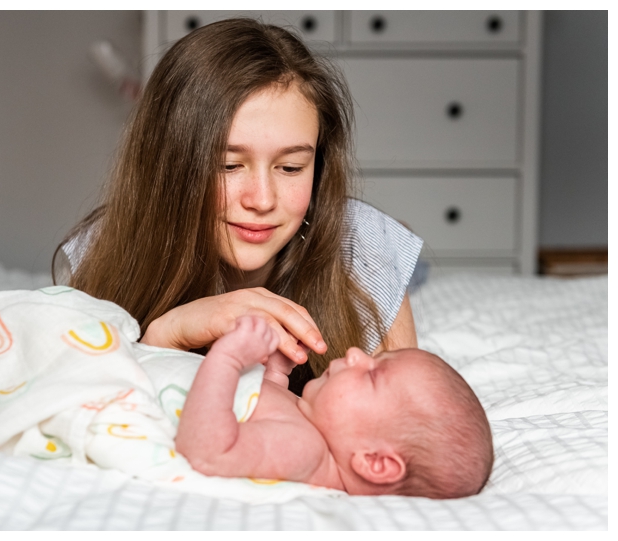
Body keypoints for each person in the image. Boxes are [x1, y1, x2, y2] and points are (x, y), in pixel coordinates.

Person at [54, 18, 423, 395]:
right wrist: (167, 334)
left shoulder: (363, 249)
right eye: (228, 166)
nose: (262, 200)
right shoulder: (95, 254)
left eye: (291, 168)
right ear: (168, 167)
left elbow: (398, 426)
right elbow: (78, 412)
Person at [176, 315, 494, 499]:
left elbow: (209, 450)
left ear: (375, 462)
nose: (356, 353)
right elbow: (264, 416)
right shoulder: (311, 430)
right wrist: (275, 374)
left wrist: (227, 359)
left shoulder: (306, 450)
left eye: (372, 375)